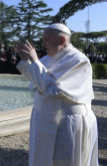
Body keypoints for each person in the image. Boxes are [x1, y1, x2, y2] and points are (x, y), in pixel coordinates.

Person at [15, 23, 98, 165]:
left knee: (65, 160)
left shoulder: (78, 60)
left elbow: (52, 89)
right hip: (44, 117)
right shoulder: (48, 57)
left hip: (66, 122)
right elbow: (35, 80)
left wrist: (34, 60)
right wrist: (25, 60)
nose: (43, 43)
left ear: (62, 40)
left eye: (46, 39)